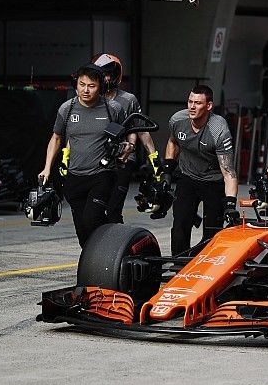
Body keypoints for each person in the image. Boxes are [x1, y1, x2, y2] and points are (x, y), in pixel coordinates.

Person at [39, 63, 131, 247]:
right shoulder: (67, 109)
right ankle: (102, 253)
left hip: (102, 174)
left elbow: (125, 137)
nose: (86, 90)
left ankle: (112, 248)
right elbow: (56, 138)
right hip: (74, 177)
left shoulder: (113, 109)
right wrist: (47, 168)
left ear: (101, 87)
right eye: (82, 84)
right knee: (83, 232)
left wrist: (127, 148)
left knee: (91, 219)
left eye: (91, 86)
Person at [163, 85, 238, 255]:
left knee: (211, 233)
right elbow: (173, 142)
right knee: (179, 227)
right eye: (190, 101)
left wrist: (230, 204)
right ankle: (179, 264)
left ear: (209, 106)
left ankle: (206, 266)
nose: (192, 106)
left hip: (213, 181)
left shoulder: (219, 130)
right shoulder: (177, 120)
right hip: (187, 177)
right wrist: (167, 171)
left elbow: (229, 173)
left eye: (197, 103)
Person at [92, 53, 159, 224]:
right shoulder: (90, 99)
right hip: (97, 159)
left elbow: (141, 130)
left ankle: (117, 239)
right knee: (95, 210)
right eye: (101, 74)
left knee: (113, 209)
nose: (105, 78)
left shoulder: (128, 100)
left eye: (108, 74)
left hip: (123, 159)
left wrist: (154, 159)